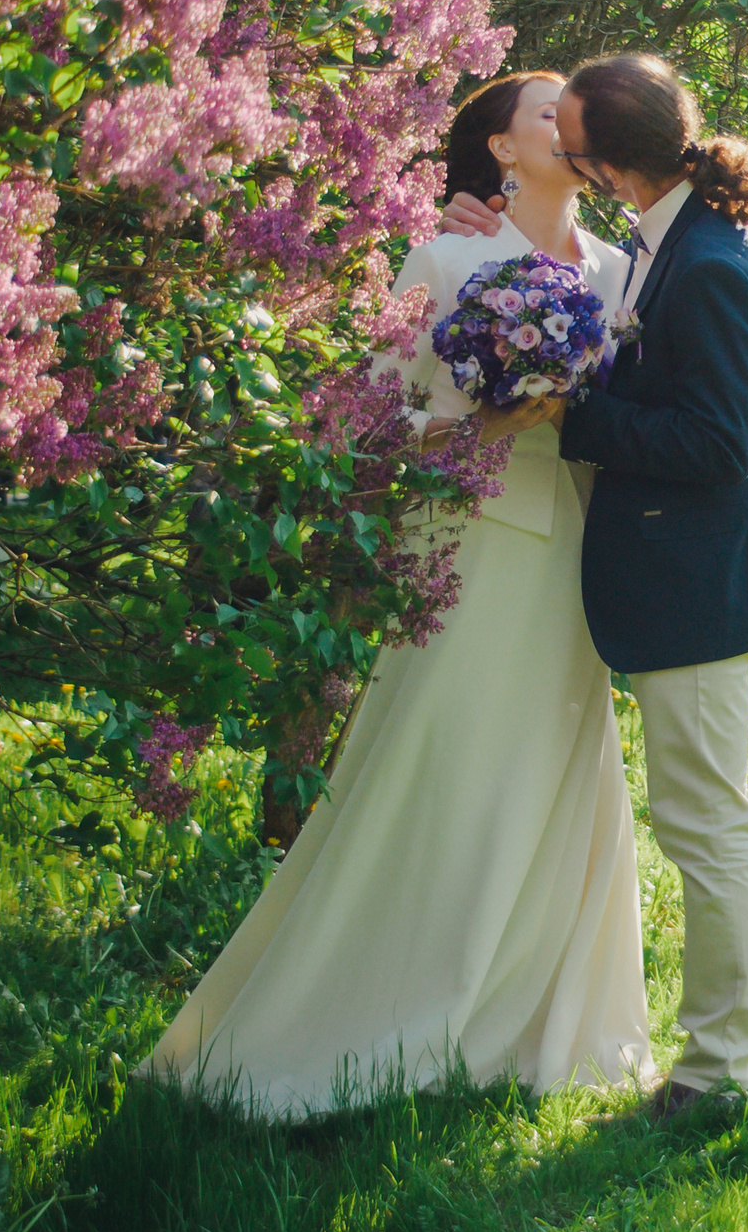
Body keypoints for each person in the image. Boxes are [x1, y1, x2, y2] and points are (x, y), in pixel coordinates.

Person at [138, 71, 655, 1117]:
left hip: (578, 557)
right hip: (466, 547)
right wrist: (483, 429)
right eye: (548, 112)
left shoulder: (621, 270)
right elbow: (363, 429)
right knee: (441, 764)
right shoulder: (446, 254)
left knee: (556, 767)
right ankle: (369, 1008)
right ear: (501, 152)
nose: (574, 123)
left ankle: (524, 1020)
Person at [439, 52, 748, 1116]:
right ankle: (736, 1043)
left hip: (697, 575)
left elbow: (718, 442)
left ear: (603, 164)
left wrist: (572, 416)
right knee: (705, 814)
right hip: (675, 565)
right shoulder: (667, 238)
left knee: (704, 821)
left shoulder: (713, 263)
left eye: (573, 136)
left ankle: (723, 1063)